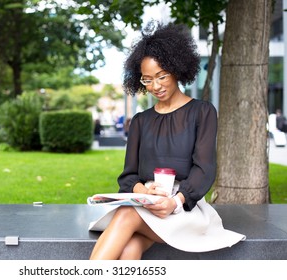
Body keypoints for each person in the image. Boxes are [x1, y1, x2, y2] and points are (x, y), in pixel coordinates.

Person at [89, 22, 245, 260]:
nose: (156, 86)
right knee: (130, 248)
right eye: (147, 79)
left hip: (184, 209)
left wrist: (174, 201)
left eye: (162, 76)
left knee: (125, 216)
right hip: (147, 206)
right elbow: (128, 176)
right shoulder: (141, 121)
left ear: (176, 69)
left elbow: (204, 170)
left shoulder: (202, 112)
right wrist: (144, 190)